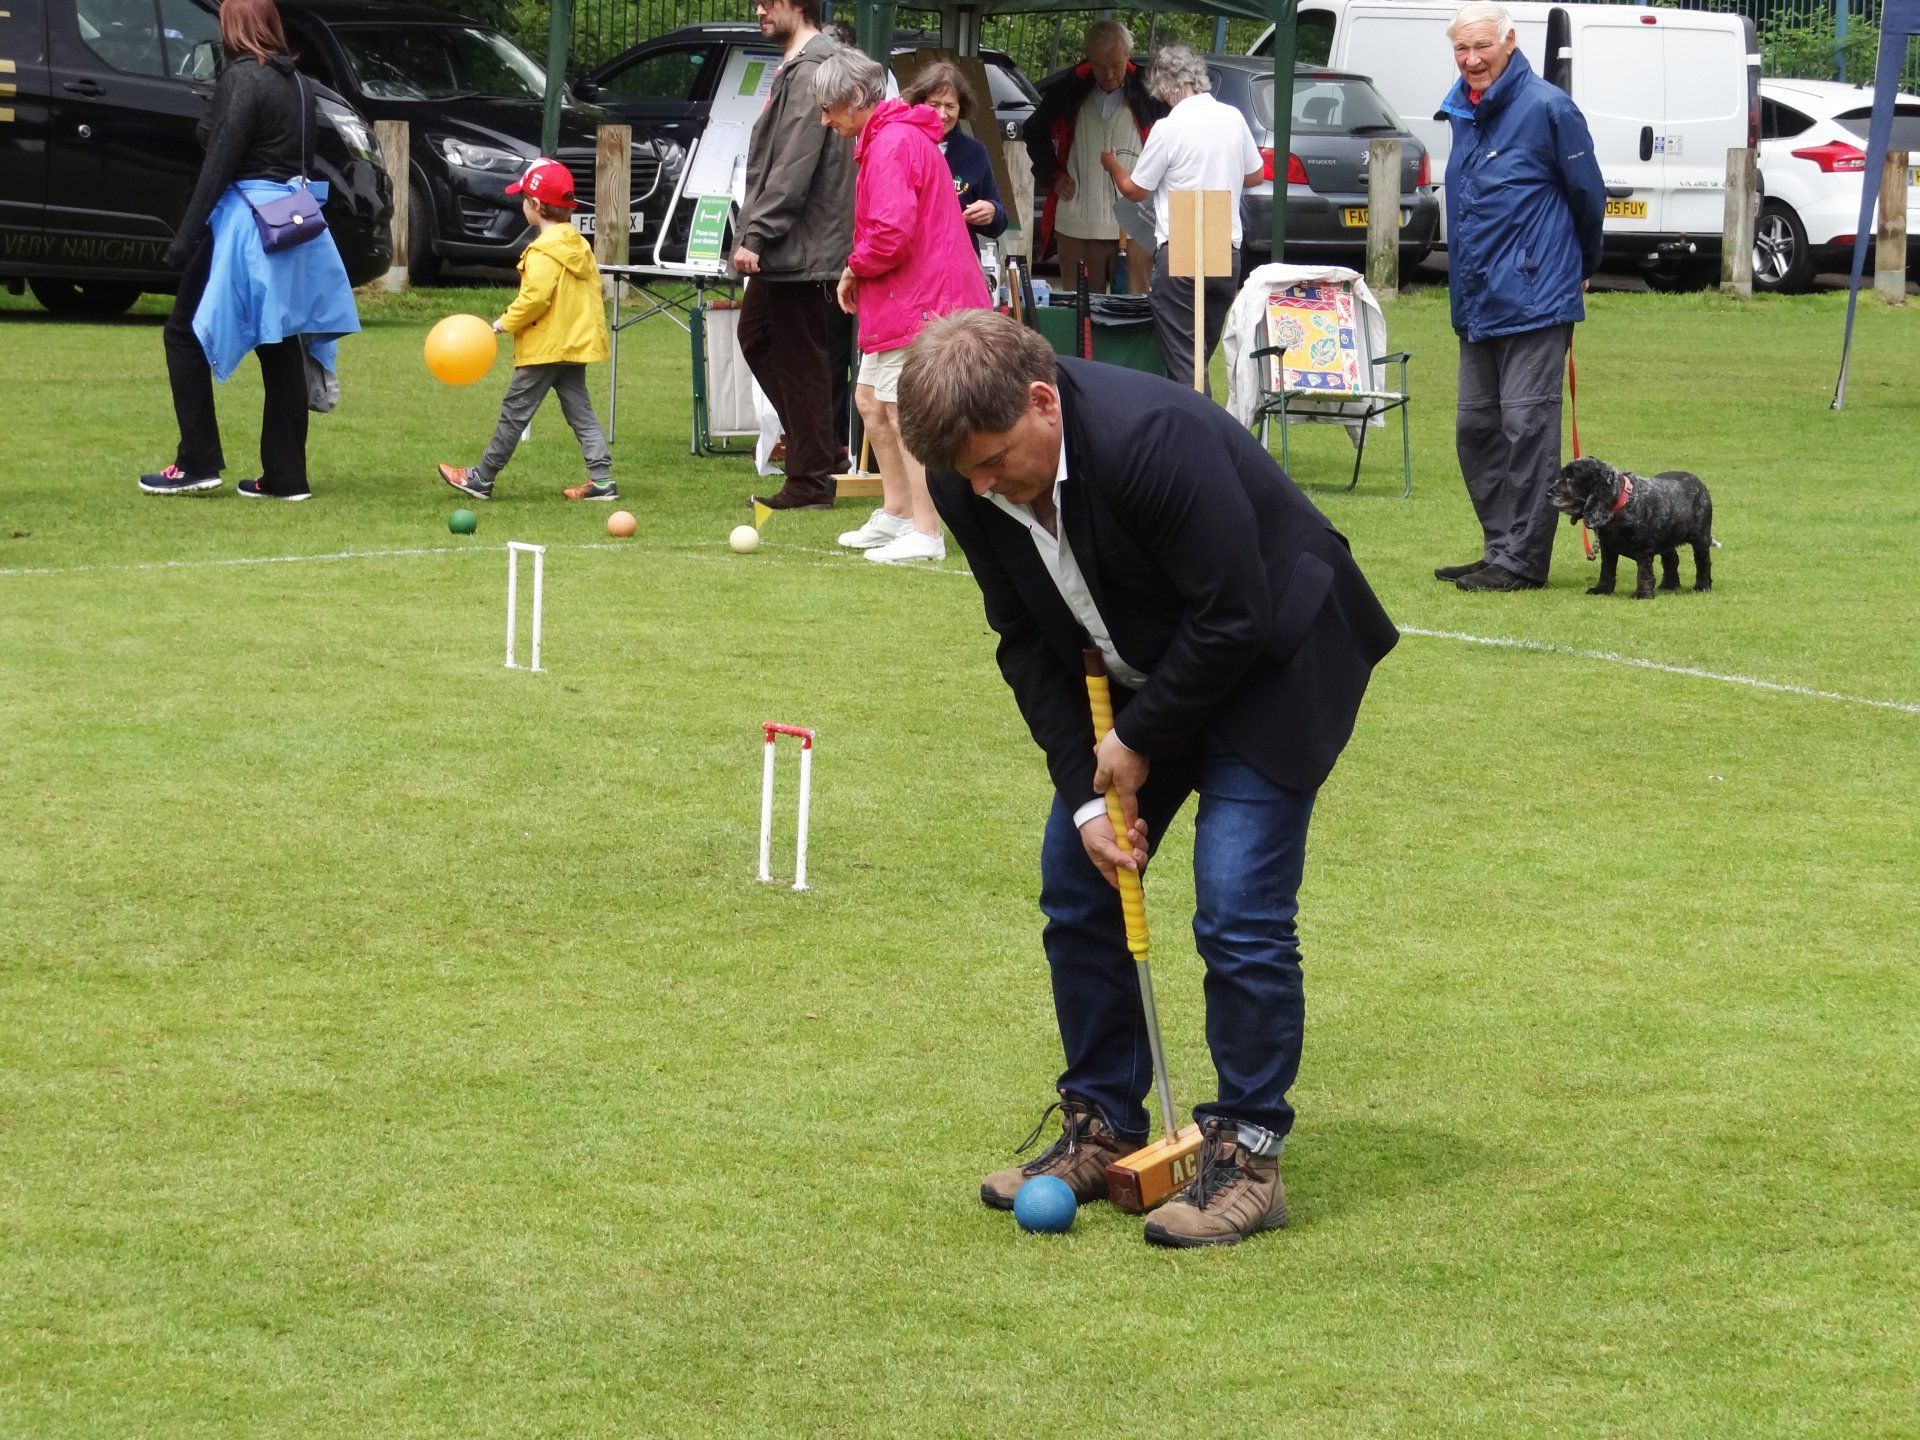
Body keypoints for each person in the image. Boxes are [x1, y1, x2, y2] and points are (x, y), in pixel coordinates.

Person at [896, 309, 1398, 1247]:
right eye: (966, 473)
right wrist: (1090, 794)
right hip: (1147, 669)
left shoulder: (1149, 438)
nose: (982, 486)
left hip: (1276, 660)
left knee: (1237, 908)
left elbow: (1235, 614)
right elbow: (1025, 641)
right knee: (1078, 881)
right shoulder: (967, 480)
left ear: (1043, 401)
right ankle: (1104, 1120)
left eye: (995, 460)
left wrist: (1138, 737)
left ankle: (1248, 1153)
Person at [140, 0, 358, 501]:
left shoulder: (243, 77)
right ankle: (286, 476)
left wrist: (183, 241)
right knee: (278, 341)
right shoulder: (297, 83)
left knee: (183, 334)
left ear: (234, 28)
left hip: (246, 221)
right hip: (293, 219)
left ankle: (197, 461)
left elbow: (220, 162)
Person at [1434, 0, 1605, 592]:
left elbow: (1589, 197)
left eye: (1483, 47)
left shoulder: (1549, 108)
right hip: (1478, 295)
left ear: (1510, 43)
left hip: (1536, 296)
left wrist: (1580, 263)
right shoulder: (1462, 110)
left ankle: (1522, 561)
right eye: (1462, 48)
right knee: (1474, 428)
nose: (1473, 59)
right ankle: (1498, 548)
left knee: (1527, 426)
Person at [818, 48, 990, 565]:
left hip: (922, 299)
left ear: (853, 98)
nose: (824, 119)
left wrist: (853, 266)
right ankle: (896, 512)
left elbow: (891, 234)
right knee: (870, 398)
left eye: (828, 108)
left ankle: (927, 530)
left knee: (901, 409)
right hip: (905, 297)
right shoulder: (887, 137)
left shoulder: (892, 142)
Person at [732, 0, 855, 511]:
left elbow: (794, 165)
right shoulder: (800, 65)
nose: (757, 8)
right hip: (794, 241)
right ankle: (822, 451)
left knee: (801, 359)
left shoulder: (813, 70)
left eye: (768, 1)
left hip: (803, 243)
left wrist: (756, 234)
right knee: (758, 335)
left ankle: (810, 479)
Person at [437, 160, 616, 503]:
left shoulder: (542, 251)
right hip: (573, 346)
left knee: (514, 413)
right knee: (581, 412)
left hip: (545, 347)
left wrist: (505, 322)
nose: (521, 205)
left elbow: (534, 298)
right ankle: (603, 480)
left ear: (535, 205)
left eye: (523, 199)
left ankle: (482, 478)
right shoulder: (579, 245)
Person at [1099, 44, 1264, 394]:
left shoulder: (1168, 128)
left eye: (1163, 94)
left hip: (1186, 236)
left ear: (1169, 86)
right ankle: (1204, 422)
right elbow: (1256, 175)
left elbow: (1135, 190)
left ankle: (1200, 431)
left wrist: (1112, 164)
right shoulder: (1232, 117)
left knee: (1186, 364)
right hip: (1224, 239)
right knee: (1197, 356)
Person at [1021, 19, 1165, 295]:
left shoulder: (1149, 91)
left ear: (1127, 56)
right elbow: (1034, 131)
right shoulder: (1069, 90)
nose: (1109, 74)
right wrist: (1054, 175)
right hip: (1078, 223)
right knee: (1081, 317)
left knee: (1135, 311)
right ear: (1089, 59)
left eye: (1116, 65)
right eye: (1100, 66)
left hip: (1139, 223)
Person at [901, 62, 1008, 253]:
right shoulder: (902, 146)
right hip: (913, 262)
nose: (942, 115)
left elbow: (998, 223)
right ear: (919, 104)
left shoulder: (974, 153)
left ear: (961, 108)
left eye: (950, 106)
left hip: (959, 262)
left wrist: (992, 212)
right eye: (934, 105)